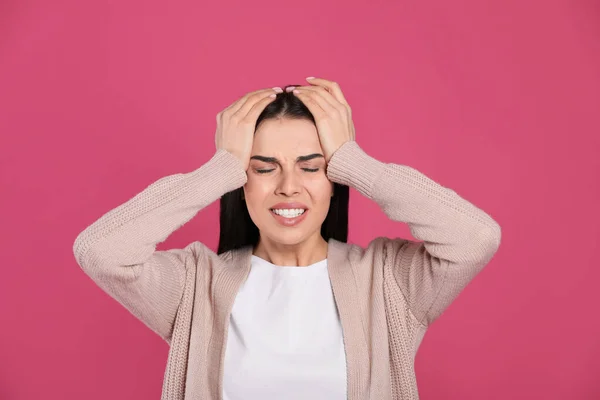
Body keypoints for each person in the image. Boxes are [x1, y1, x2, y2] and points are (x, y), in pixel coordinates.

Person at [73, 77, 501, 400]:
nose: (288, 186)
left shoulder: (389, 281)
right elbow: (101, 251)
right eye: (263, 168)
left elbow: (475, 237)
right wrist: (219, 169)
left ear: (336, 179)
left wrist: (355, 160)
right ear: (242, 181)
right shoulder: (195, 285)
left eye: (312, 167)